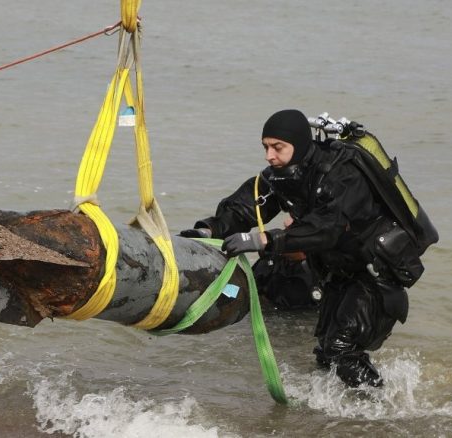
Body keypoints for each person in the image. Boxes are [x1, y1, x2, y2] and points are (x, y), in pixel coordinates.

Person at [180, 109, 430, 387]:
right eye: (265, 147)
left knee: (340, 349)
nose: (269, 156)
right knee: (325, 355)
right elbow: (244, 207)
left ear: (297, 145)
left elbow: (325, 229)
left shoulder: (343, 174)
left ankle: (382, 412)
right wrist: (208, 229)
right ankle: (345, 418)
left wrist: (264, 241)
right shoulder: (282, 176)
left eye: (277, 148)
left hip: (376, 274)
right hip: (339, 272)